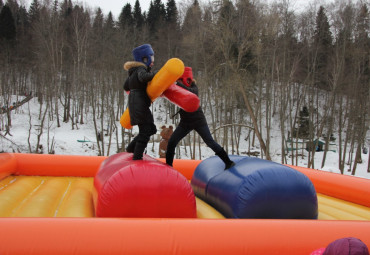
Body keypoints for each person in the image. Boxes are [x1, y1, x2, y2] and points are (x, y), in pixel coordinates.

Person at [166, 67, 235, 170]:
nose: (180, 82)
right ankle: (169, 167)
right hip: (185, 122)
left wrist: (177, 83)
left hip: (198, 120)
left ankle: (228, 162)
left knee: (210, 142)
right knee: (172, 142)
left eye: (181, 80)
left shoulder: (193, 87)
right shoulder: (179, 89)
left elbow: (192, 93)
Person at [123, 44, 157, 160]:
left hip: (135, 103)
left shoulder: (133, 71)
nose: (152, 62)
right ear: (144, 59)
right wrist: (156, 75)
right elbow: (143, 77)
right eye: (150, 59)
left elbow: (126, 86)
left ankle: (131, 149)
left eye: (153, 59)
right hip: (139, 103)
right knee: (146, 130)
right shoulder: (141, 68)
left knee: (151, 129)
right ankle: (137, 157)